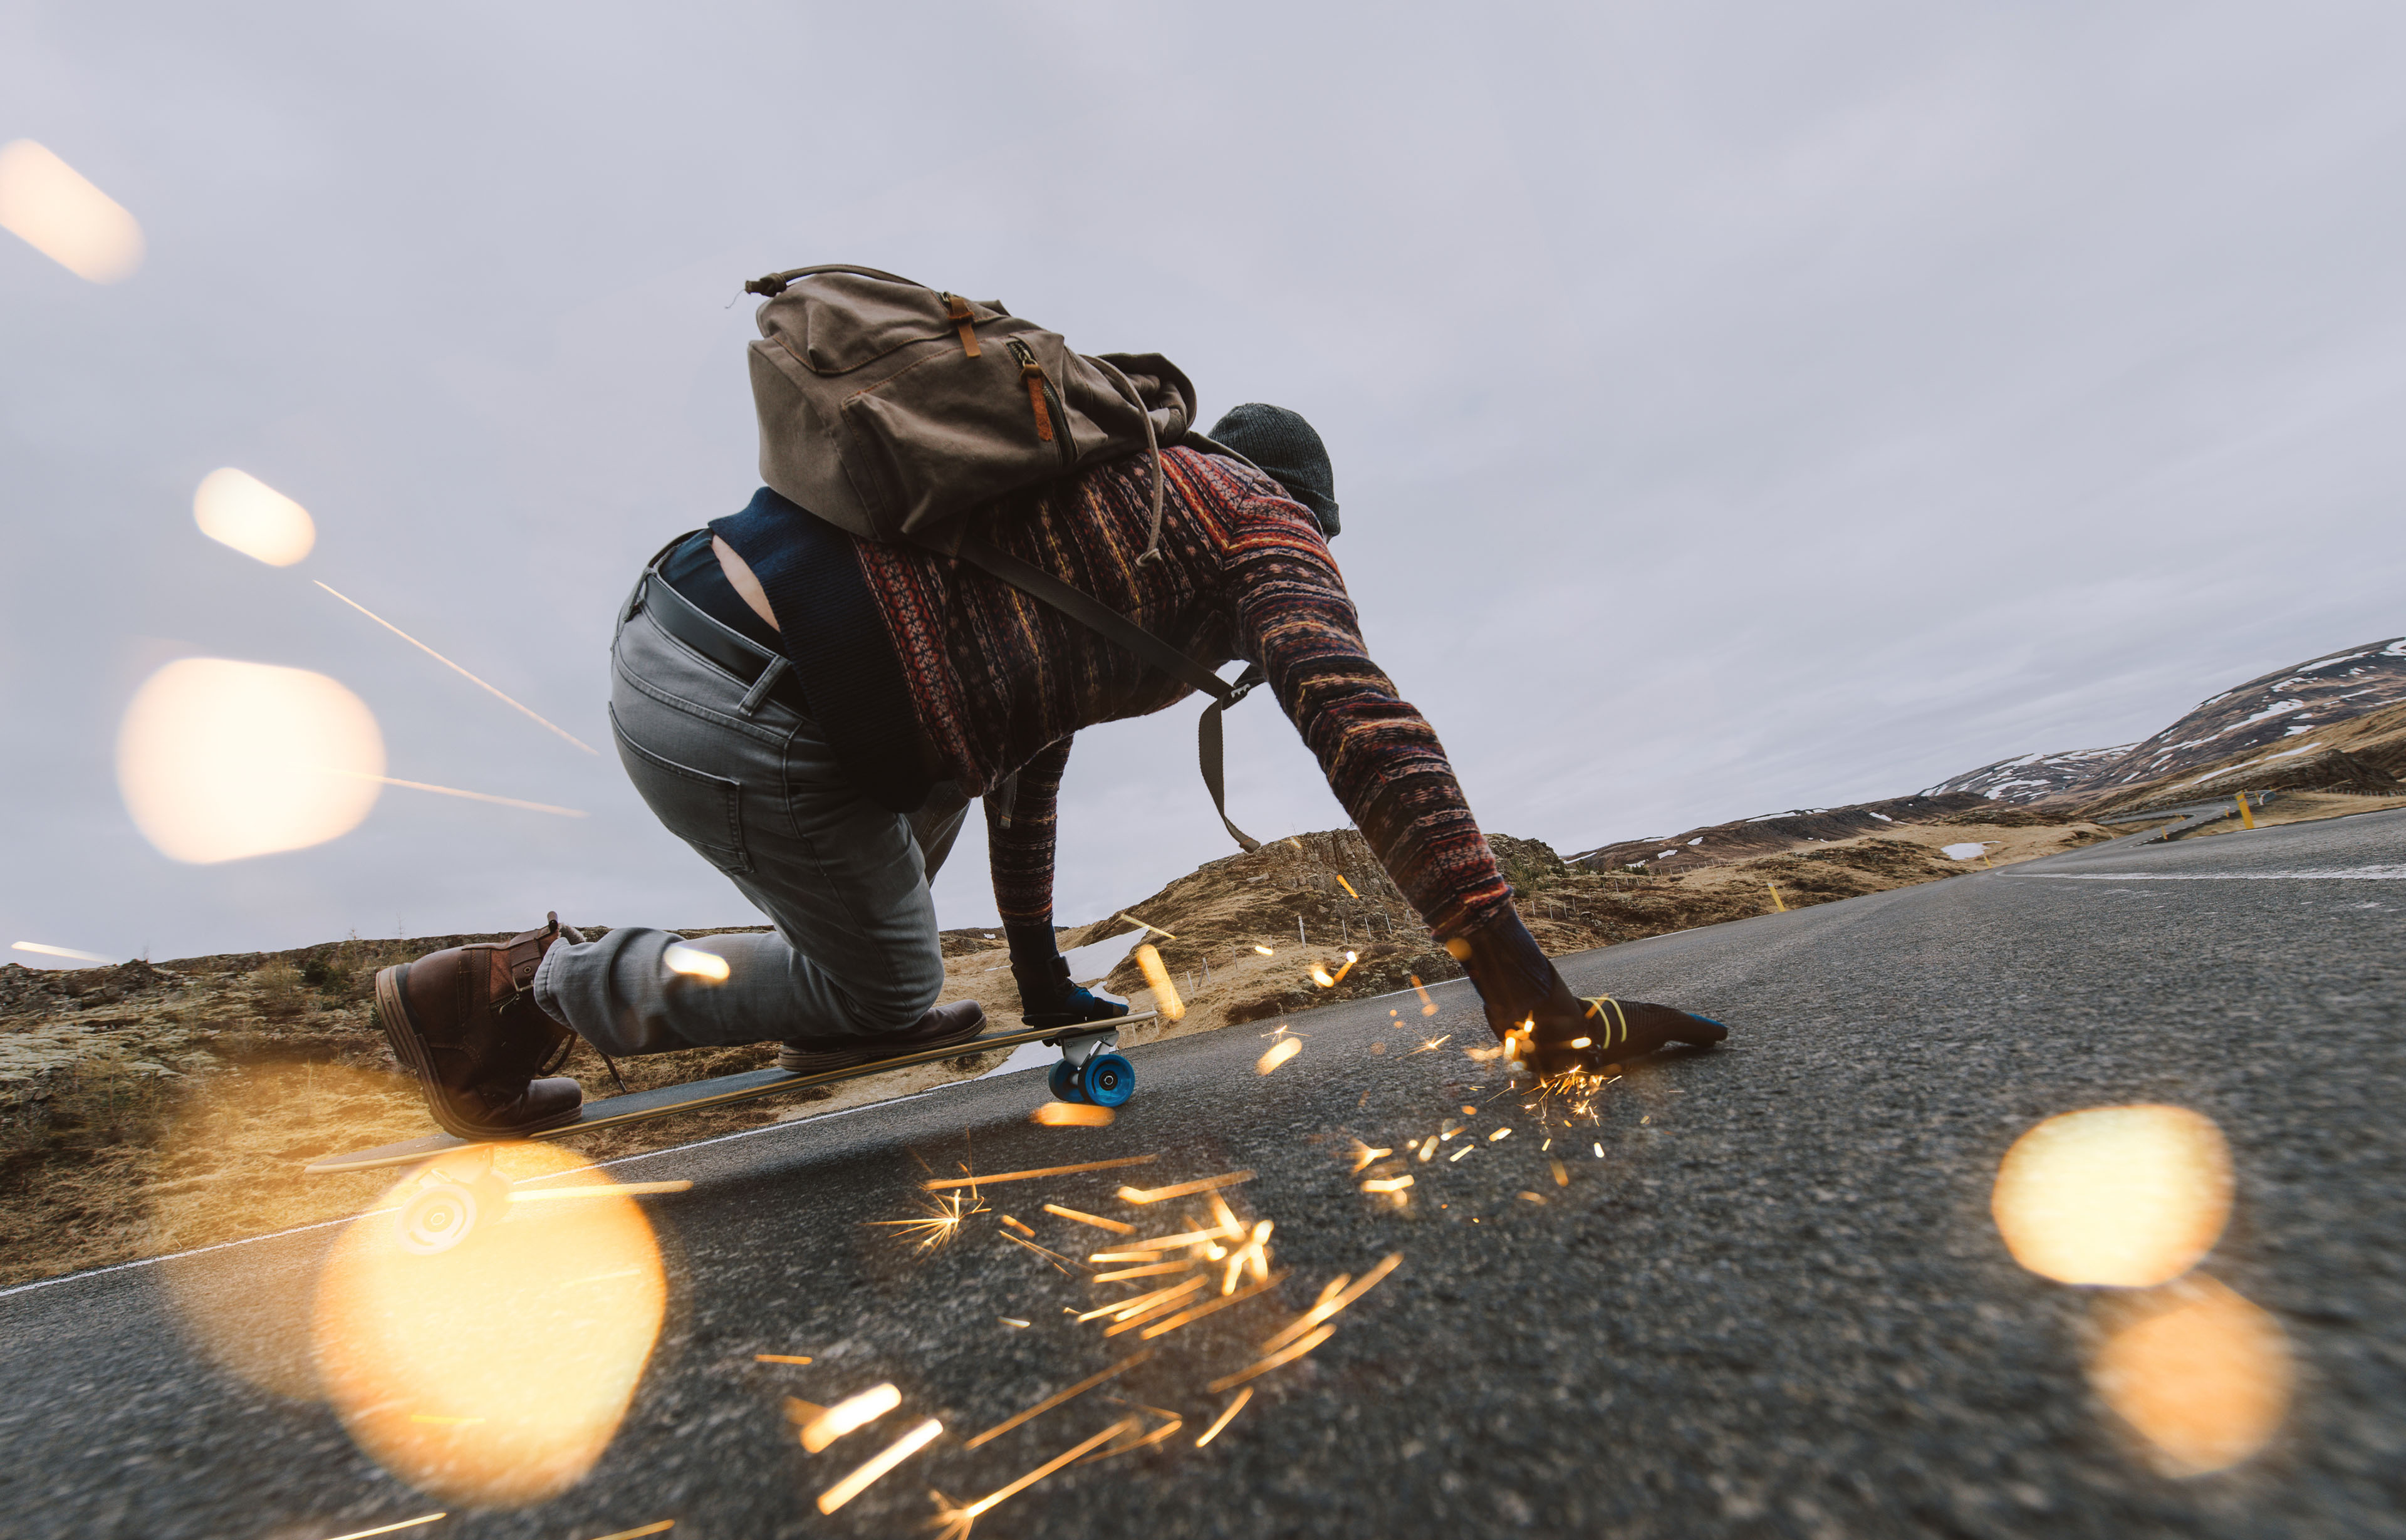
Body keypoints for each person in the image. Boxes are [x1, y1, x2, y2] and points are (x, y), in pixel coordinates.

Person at [373, 402, 1727, 1137]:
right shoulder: (1253, 515)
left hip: (712, 643)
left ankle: (830, 991)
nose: (1312, 566)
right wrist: (1524, 988)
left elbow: (1022, 756)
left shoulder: (1110, 503)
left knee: (916, 862)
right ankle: (513, 988)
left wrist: (1033, 969)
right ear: (1305, 511)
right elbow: (1356, 714)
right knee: (892, 982)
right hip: (744, 694)